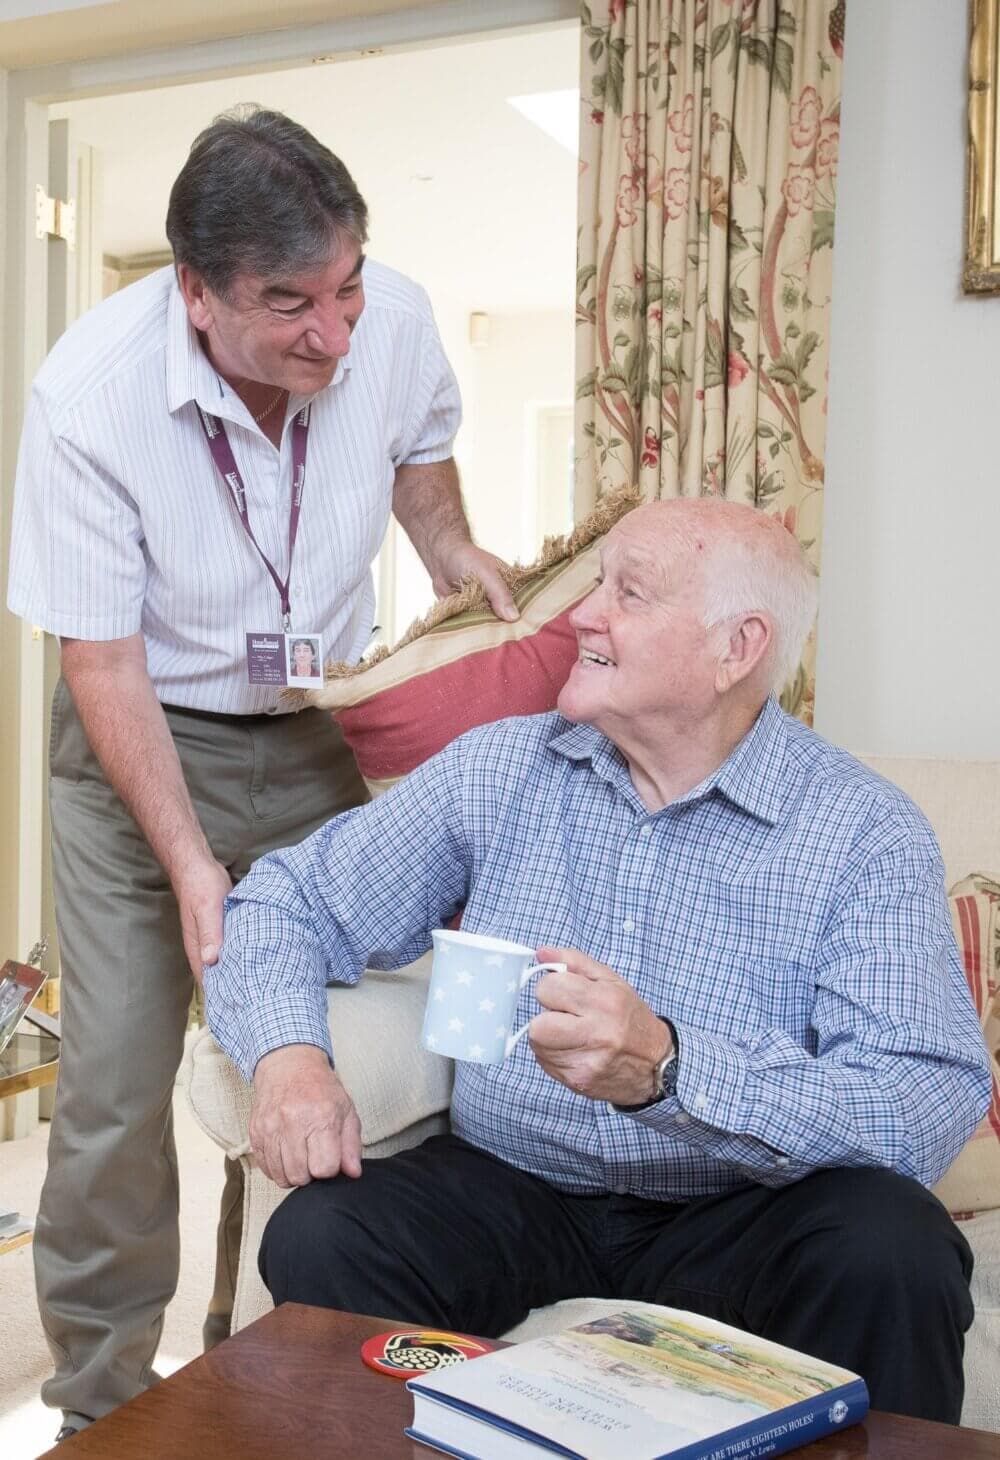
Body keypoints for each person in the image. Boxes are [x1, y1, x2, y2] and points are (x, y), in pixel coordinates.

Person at [205, 498, 991, 1425]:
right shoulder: (501, 769)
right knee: (326, 1235)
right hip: (515, 1184)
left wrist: (672, 1070)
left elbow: (921, 1098)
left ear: (735, 648)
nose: (582, 615)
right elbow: (284, 901)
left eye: (629, 593)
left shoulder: (861, 831)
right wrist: (289, 1056)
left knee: (894, 1250)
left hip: (744, 1205)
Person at [6, 105, 516, 1442]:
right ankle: (102, 1403)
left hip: (314, 728)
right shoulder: (91, 401)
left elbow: (421, 474)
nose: (334, 335)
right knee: (115, 1087)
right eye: (291, 304)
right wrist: (185, 863)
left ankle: (305, 1360)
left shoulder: (387, 322)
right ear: (197, 294)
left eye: (346, 288)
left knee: (342, 1042)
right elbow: (102, 667)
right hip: (141, 744)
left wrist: (458, 562)